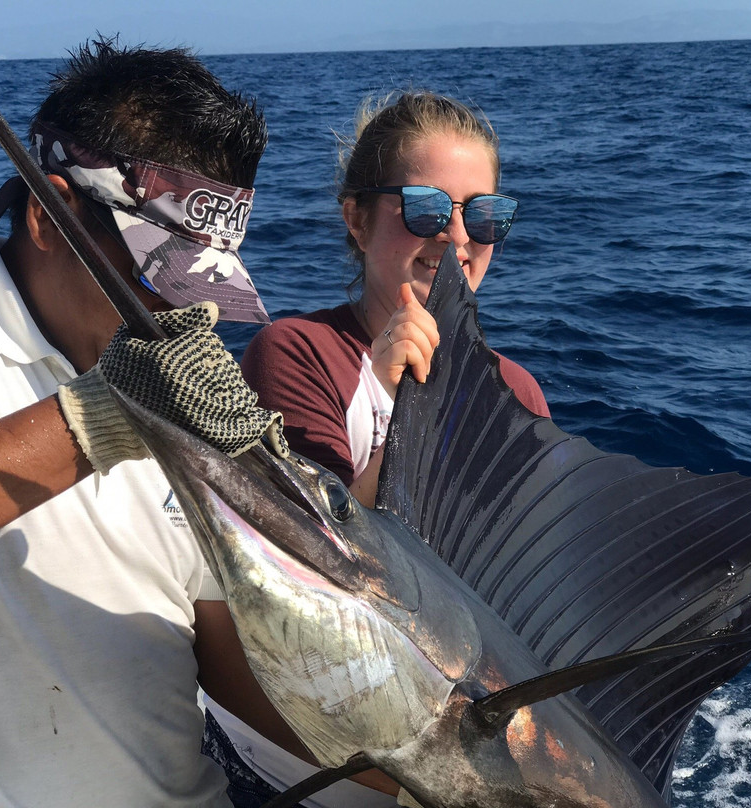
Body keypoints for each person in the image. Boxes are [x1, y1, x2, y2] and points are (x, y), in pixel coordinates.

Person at [0, 38, 302, 808]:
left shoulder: (175, 387)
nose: (190, 316)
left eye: (211, 285)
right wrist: (99, 417)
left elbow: (234, 675)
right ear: (50, 215)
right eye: (159, 274)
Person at [204, 90, 550, 807]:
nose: (456, 238)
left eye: (481, 215)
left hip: (456, 752)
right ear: (356, 221)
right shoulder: (295, 352)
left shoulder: (516, 391)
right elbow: (305, 570)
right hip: (306, 768)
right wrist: (386, 398)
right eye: (425, 209)